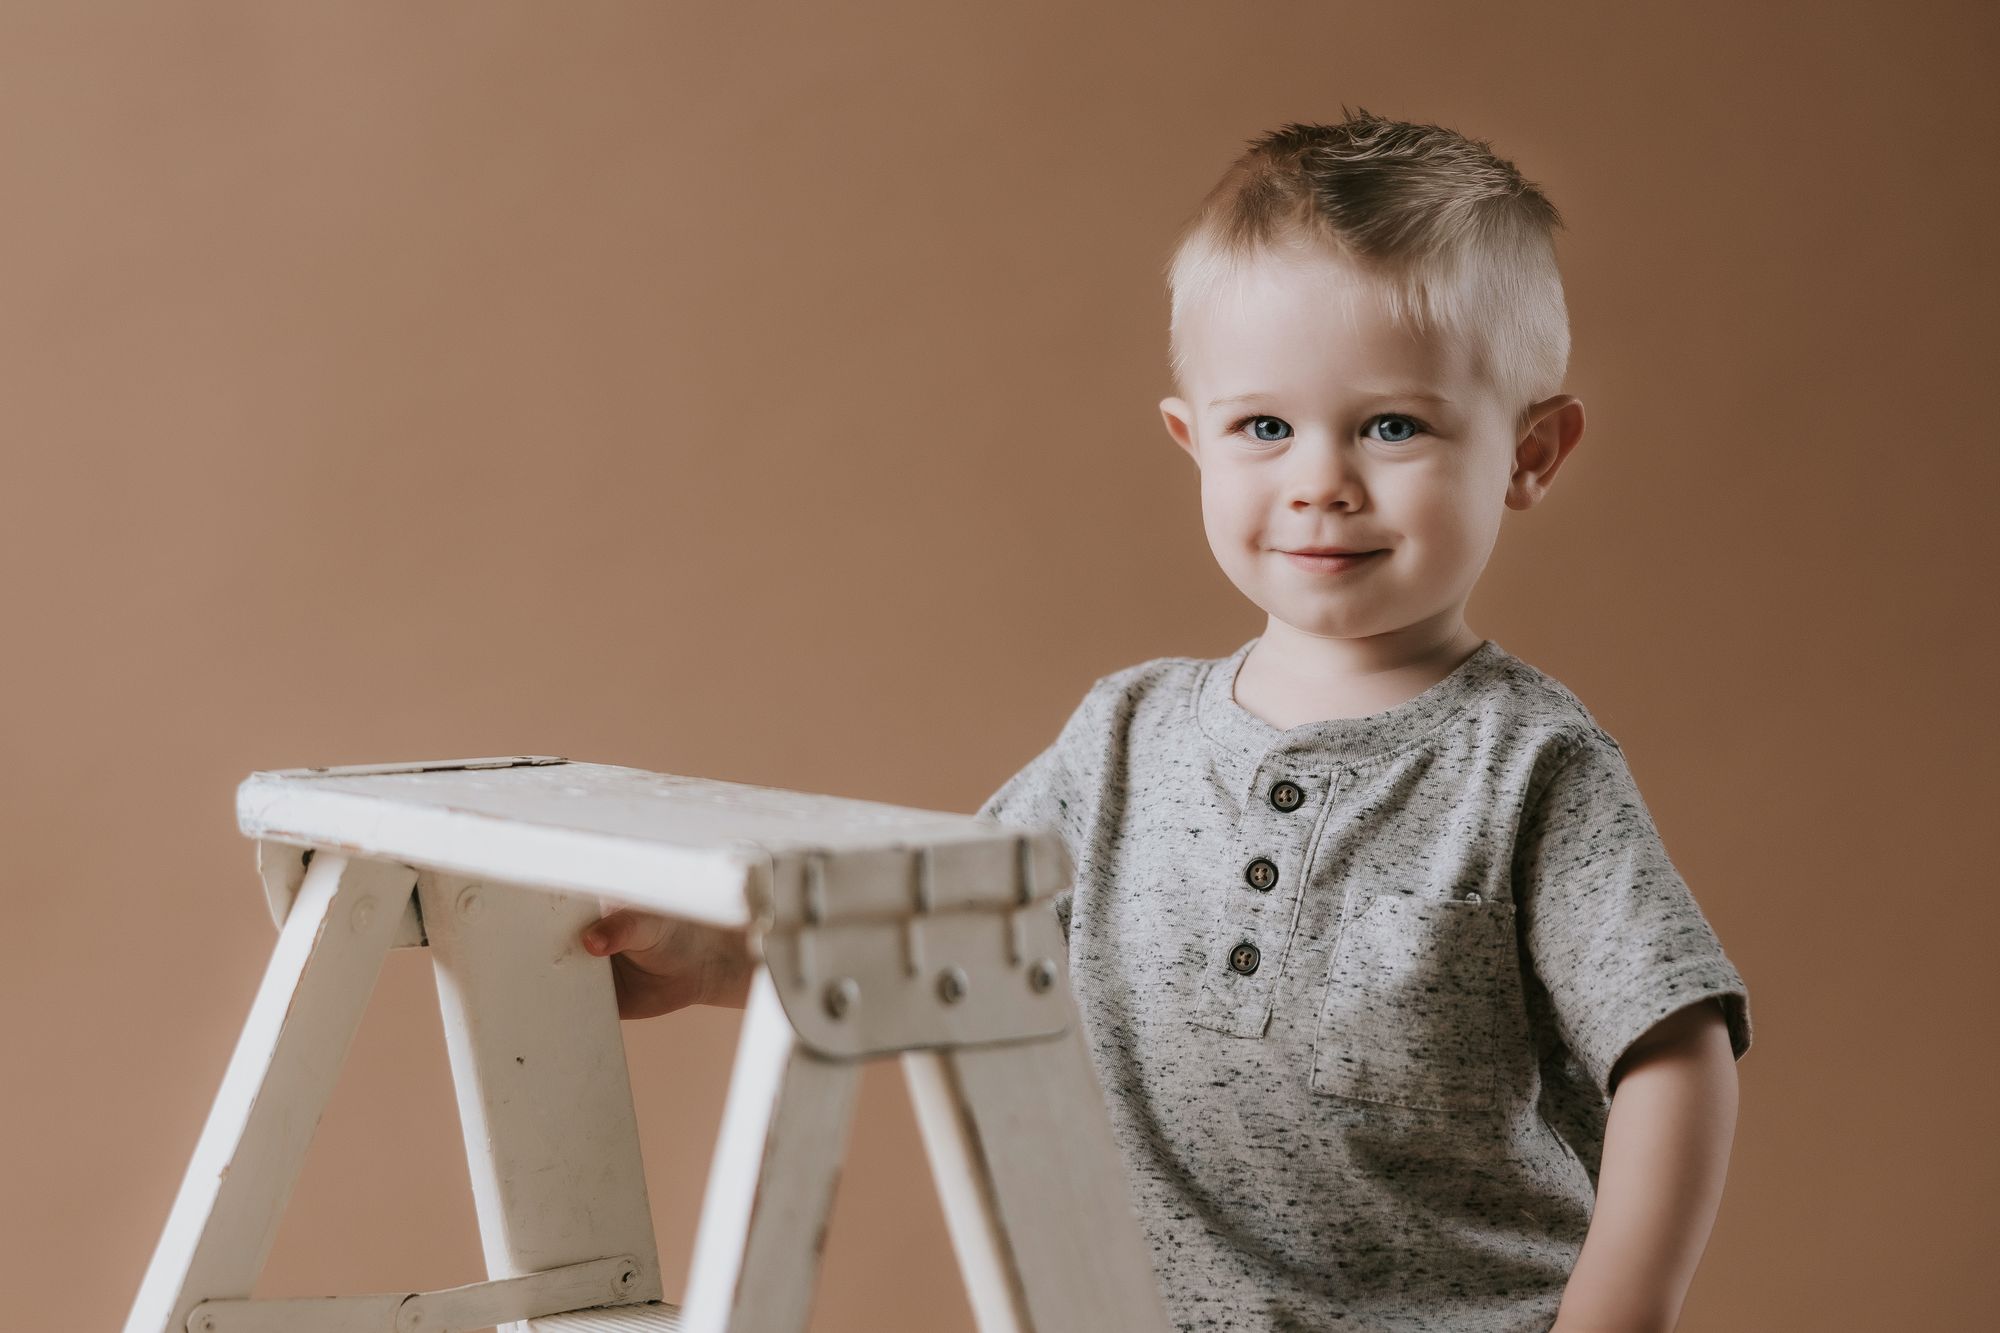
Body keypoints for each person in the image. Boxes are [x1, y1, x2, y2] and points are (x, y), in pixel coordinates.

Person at [580, 108, 1753, 1333]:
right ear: (1193, 441)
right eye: (1264, 427)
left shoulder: (1524, 766)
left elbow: (1669, 1045)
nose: (1318, 480)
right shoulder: (1123, 739)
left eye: (1391, 426)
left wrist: (1611, 1318)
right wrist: (721, 957)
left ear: (1529, 452)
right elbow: (939, 934)